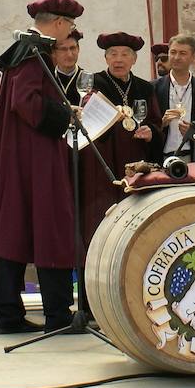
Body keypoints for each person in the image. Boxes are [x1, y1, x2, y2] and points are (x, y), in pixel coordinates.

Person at [0, 0, 82, 334]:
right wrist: (67, 113)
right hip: (35, 159)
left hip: (20, 157)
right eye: (72, 26)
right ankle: (59, 316)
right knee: (51, 229)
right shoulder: (34, 57)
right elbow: (28, 103)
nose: (71, 33)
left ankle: (8, 314)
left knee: (14, 233)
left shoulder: (24, 54)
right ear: (60, 24)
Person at [78, 31, 159, 317]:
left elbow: (155, 124)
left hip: (135, 171)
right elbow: (86, 126)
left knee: (134, 231)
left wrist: (151, 133)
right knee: (97, 229)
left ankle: (133, 300)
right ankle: (92, 304)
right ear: (105, 58)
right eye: (113, 54)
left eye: (124, 54)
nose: (118, 59)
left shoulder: (144, 88)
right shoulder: (93, 84)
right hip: (100, 169)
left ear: (134, 59)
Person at [155, 34, 195, 164]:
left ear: (193, 58)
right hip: (161, 159)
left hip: (194, 159)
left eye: (183, 53)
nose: (177, 57)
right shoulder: (153, 88)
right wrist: (161, 124)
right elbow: (146, 127)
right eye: (173, 52)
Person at [52, 28, 86, 106]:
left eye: (73, 48)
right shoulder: (47, 79)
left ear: (78, 49)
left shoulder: (88, 80)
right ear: (54, 52)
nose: (69, 54)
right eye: (63, 49)